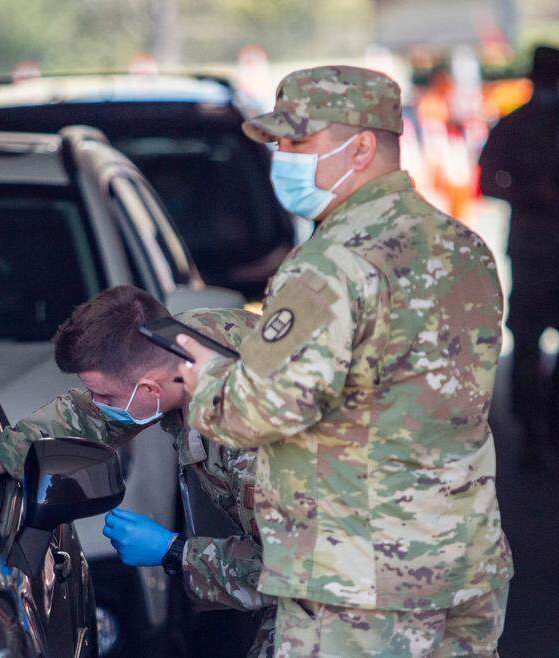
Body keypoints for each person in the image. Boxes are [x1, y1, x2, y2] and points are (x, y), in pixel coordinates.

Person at [175, 65, 512, 657]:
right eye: (279, 142)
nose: (283, 156)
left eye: (299, 141)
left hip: (359, 582)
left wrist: (205, 379)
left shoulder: (329, 265)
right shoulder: (464, 248)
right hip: (464, 560)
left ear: (360, 148)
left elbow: (260, 411)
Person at [0, 285, 276, 657]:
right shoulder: (176, 342)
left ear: (150, 388)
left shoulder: (250, 437)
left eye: (106, 397)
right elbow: (86, 416)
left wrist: (174, 552)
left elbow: (294, 571)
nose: (99, 405)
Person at [478, 45, 559, 467]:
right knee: (529, 343)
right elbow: (487, 182)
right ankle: (532, 430)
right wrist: (531, 192)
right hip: (532, 247)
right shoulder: (512, 125)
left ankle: (554, 412)